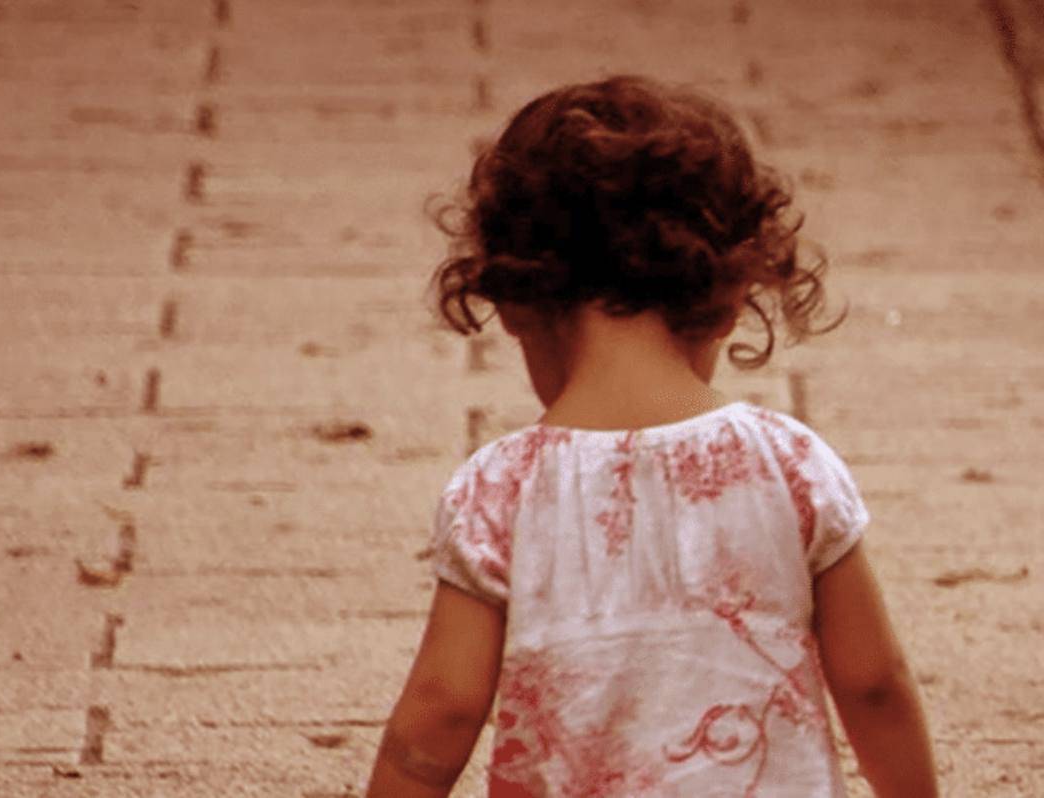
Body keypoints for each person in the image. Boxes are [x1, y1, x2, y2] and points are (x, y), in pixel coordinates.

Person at [365, 74, 937, 797]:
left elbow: (442, 711)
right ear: (731, 301)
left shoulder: (499, 490)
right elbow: (875, 684)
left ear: (513, 306)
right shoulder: (791, 465)